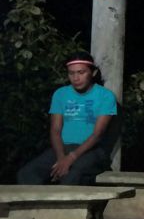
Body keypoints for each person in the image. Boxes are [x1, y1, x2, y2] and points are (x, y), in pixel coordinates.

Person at [17, 51, 117, 185]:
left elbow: (97, 134)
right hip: (63, 148)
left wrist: (71, 158)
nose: (76, 78)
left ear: (92, 73)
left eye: (81, 72)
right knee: (27, 173)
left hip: (92, 150)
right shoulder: (61, 94)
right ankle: (35, 206)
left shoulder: (105, 96)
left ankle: (69, 206)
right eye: (71, 73)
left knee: (72, 173)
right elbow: (55, 130)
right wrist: (60, 158)